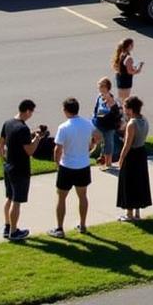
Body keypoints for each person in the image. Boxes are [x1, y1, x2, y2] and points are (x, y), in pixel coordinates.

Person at [50, 97, 101, 237]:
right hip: (83, 165)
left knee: (61, 198)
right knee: (83, 196)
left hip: (67, 166)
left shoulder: (64, 127)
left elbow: (57, 149)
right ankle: (83, 224)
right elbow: (98, 136)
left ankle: (59, 228)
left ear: (66, 110)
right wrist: (91, 146)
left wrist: (56, 164)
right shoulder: (87, 124)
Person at [0, 98, 47, 242]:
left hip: (8, 166)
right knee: (17, 201)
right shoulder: (23, 129)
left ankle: (7, 226)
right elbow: (30, 150)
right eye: (31, 112)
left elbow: (0, 143)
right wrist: (37, 138)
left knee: (9, 198)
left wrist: (4, 160)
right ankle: (14, 231)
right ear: (27, 111)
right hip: (20, 169)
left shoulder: (8, 123)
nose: (31, 115)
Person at [116, 96, 152, 222]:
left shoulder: (132, 124)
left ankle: (129, 213)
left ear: (130, 109)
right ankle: (137, 212)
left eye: (125, 108)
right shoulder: (144, 120)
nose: (124, 110)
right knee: (139, 182)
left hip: (132, 155)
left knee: (129, 183)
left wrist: (121, 158)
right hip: (141, 153)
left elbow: (127, 144)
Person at [92, 77, 121, 170]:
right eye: (99, 85)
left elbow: (112, 111)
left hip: (108, 125)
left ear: (107, 87)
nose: (99, 87)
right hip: (99, 124)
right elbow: (97, 109)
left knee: (108, 143)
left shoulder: (109, 98)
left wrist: (99, 114)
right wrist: (94, 117)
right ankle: (102, 158)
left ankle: (108, 163)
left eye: (101, 85)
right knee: (99, 141)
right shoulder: (100, 96)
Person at [112, 38, 144, 103]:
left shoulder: (121, 54)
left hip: (120, 79)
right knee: (125, 100)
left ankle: (119, 110)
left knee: (120, 99)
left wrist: (132, 67)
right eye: (132, 45)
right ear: (129, 46)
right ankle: (122, 112)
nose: (133, 46)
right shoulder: (129, 57)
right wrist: (139, 68)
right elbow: (130, 72)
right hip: (126, 81)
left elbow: (122, 67)